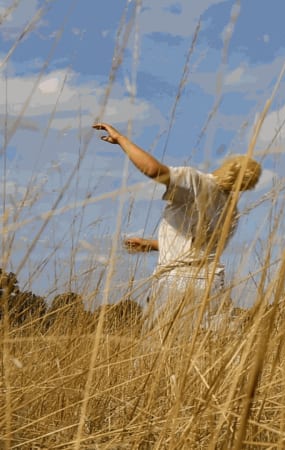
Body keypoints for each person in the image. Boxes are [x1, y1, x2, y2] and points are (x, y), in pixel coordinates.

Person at [93, 122, 261, 337]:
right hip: (212, 283)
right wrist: (151, 245)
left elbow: (154, 170)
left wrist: (121, 140)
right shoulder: (232, 211)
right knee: (201, 355)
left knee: (155, 356)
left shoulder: (197, 181)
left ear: (226, 166)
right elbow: (195, 249)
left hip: (176, 282)